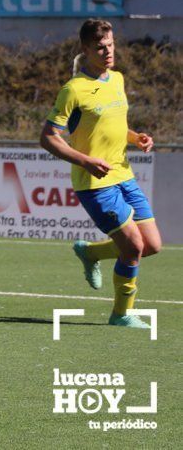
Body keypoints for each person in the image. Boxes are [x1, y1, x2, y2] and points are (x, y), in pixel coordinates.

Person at [40, 19, 162, 329]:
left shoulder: (117, 79)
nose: (107, 51)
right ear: (85, 50)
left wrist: (136, 138)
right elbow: (48, 137)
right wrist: (84, 161)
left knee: (152, 245)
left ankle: (91, 253)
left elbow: (114, 125)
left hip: (123, 174)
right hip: (94, 182)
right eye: (99, 47)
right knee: (133, 247)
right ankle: (121, 314)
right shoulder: (74, 90)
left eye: (110, 44)